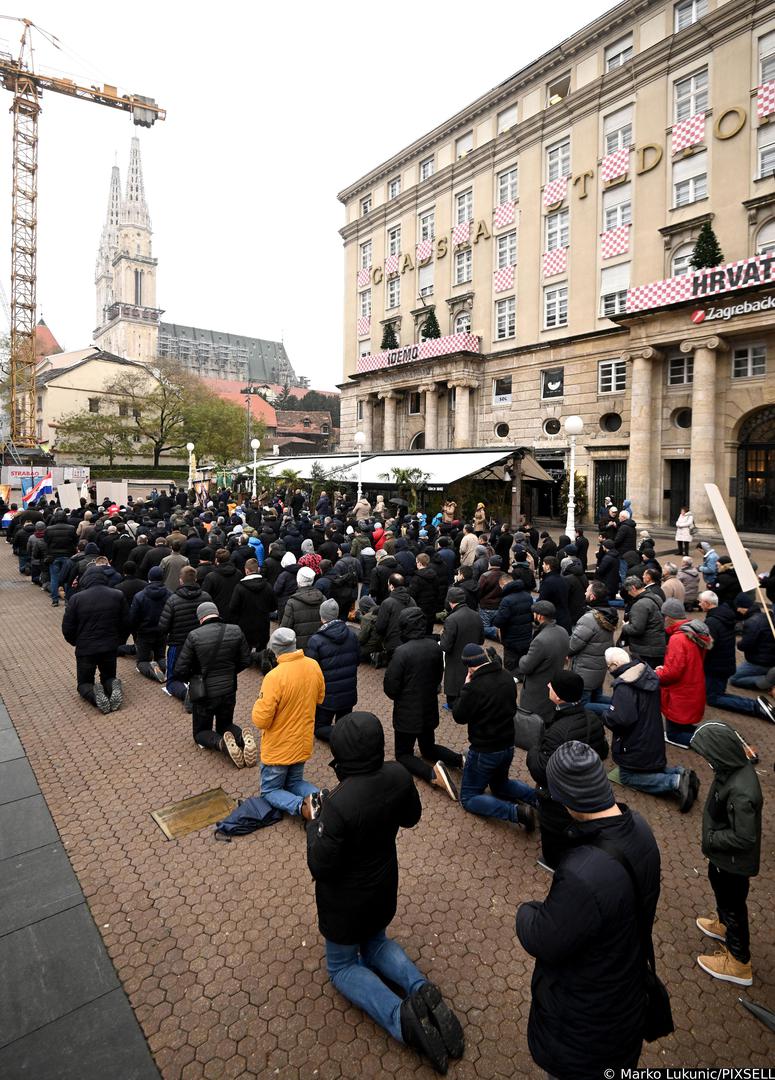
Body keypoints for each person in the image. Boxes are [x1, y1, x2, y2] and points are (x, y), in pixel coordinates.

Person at [306, 712, 463, 1074]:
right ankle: (419, 988)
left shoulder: (337, 803)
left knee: (342, 967)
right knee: (375, 943)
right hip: (382, 884)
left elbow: (321, 865)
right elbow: (411, 818)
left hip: (345, 903)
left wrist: (315, 824)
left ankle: (401, 1018)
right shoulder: (397, 774)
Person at [516, 741, 661, 1078]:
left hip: (585, 1026)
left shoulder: (584, 872)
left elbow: (544, 937)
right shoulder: (639, 828)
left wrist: (527, 912)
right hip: (626, 997)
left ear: (567, 797)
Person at [691, 721, 762, 987]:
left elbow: (744, 837)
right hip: (723, 859)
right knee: (724, 898)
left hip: (732, 861)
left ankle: (739, 961)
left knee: (734, 906)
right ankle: (723, 925)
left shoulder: (742, 791)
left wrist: (711, 838)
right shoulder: (731, 770)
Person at [526, 671, 609, 869]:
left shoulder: (558, 731)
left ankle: (555, 863)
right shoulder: (593, 718)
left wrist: (534, 749)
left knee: (554, 832)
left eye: (551, 685)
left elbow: (542, 770)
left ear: (559, 696)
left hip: (558, 798)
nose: (547, 685)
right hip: (585, 790)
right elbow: (603, 751)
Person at [603, 647, 698, 811]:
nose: (608, 670)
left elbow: (621, 720)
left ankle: (675, 782)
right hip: (653, 740)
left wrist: (606, 716)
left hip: (635, 745)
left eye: (609, 666)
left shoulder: (624, 685)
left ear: (616, 664)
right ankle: (681, 773)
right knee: (650, 768)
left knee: (627, 776)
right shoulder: (646, 674)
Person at [451, 644, 535, 829]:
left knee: (469, 798)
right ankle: (539, 799)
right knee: (500, 784)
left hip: (485, 750)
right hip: (507, 745)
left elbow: (459, 716)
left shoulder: (474, 687)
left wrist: (465, 687)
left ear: (469, 667)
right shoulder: (506, 676)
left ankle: (516, 813)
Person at [383, 607, 462, 800]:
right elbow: (437, 677)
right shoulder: (435, 647)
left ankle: (433, 775)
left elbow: (391, 686)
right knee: (428, 747)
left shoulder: (401, 652)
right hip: (428, 707)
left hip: (407, 713)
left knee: (403, 754)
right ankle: (460, 760)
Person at [251, 627, 325, 817]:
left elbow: (261, 719)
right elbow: (320, 698)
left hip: (279, 746)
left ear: (275, 650)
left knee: (269, 791)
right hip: (302, 741)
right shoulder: (313, 665)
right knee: (294, 782)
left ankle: (302, 807)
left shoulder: (274, 677)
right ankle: (323, 800)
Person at [173, 601, 254, 766]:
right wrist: (230, 672)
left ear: (200, 618)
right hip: (229, 688)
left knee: (201, 732)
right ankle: (242, 738)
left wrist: (193, 678)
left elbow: (180, 669)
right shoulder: (235, 630)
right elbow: (246, 660)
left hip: (205, 693)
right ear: (216, 613)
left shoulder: (194, 636)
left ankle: (221, 744)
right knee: (225, 724)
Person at [61, 566, 130, 713]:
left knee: (84, 683)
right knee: (108, 676)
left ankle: (94, 695)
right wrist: (118, 641)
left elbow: (67, 628)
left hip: (86, 648)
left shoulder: (76, 599)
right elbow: (125, 622)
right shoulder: (117, 595)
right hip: (110, 646)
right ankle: (112, 685)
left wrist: (76, 641)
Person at [701, 592, 771, 720]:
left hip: (718, 665)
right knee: (717, 694)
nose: (699, 605)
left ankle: (754, 706)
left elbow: (709, 644)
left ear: (706, 603)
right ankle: (756, 704)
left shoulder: (713, 621)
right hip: (726, 663)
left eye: (701, 602)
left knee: (714, 698)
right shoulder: (725, 617)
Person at [656, 598, 712, 747]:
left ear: (668, 617)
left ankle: (711, 745)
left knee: (674, 734)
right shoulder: (694, 633)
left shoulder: (678, 639)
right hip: (693, 686)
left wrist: (657, 673)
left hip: (680, 692)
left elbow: (672, 673)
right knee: (685, 726)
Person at [306, 598, 360, 742]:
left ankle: (343, 739)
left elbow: (311, 670)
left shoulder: (316, 640)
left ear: (321, 616)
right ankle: (346, 734)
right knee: (344, 723)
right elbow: (357, 660)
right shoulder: (352, 635)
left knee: (319, 728)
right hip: (348, 693)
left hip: (327, 696)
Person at [158, 566, 213, 701]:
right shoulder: (206, 597)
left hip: (178, 645)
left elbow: (163, 627)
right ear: (195, 579)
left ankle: (185, 694)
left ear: (181, 581)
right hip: (201, 643)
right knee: (197, 673)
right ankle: (203, 691)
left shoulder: (173, 600)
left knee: (172, 680)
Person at [517, 601, 570, 723]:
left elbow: (525, 666)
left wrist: (522, 658)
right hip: (553, 685)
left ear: (539, 616)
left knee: (532, 724)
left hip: (537, 692)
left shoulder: (540, 640)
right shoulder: (562, 631)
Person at [567, 584, 618, 706]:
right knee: (596, 698)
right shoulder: (610, 614)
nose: (584, 593)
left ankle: (617, 710)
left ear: (593, 596)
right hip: (598, 669)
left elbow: (572, 646)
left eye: (587, 591)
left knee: (582, 706)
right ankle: (619, 705)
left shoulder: (589, 619)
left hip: (585, 671)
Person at [439, 586, 484, 708]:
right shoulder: (476, 615)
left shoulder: (451, 619)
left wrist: (442, 636)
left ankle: (453, 704)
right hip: (472, 660)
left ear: (450, 601)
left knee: (454, 683)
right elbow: (481, 640)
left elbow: (445, 646)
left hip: (455, 661)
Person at [129, 566, 171, 683]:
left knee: (142, 661)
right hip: (162, 632)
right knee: (161, 657)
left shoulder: (139, 596)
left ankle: (153, 672)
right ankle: (167, 668)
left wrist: (135, 631)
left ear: (149, 578)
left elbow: (133, 617)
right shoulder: (170, 595)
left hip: (144, 633)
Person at [229, 557, 275, 656]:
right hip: (263, 624)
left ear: (246, 571)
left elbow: (233, 607)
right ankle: (261, 661)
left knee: (245, 650)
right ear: (258, 569)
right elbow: (273, 606)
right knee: (262, 650)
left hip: (245, 625)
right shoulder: (267, 586)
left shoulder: (239, 588)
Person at [729, 594, 775, 688]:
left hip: (761, 661)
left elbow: (744, 645)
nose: (737, 610)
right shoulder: (766, 616)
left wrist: (738, 643)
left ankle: (767, 680)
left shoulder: (752, 622)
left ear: (743, 608)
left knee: (734, 678)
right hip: (769, 656)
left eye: (738, 607)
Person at [619, 576, 666, 666]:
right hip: (658, 645)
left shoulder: (640, 605)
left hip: (645, 649)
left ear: (633, 588)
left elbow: (636, 629)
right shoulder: (656, 597)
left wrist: (625, 626)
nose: (628, 593)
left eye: (628, 591)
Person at [280, 566, 326, 651]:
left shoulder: (292, 603)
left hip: (299, 648)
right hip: (318, 645)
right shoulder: (322, 598)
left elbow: (285, 629)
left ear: (298, 580)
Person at [492, 576, 533, 672]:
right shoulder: (528, 596)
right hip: (526, 635)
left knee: (510, 665)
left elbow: (499, 621)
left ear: (503, 584)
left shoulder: (506, 600)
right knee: (523, 660)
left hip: (511, 638)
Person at [375, 573, 416, 661]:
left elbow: (380, 627)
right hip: (409, 641)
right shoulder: (412, 600)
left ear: (392, 586)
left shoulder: (387, 603)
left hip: (393, 644)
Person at [44, 509, 78, 606]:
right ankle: (67, 600)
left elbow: (46, 542)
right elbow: (75, 541)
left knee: (54, 578)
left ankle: (55, 600)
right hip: (68, 556)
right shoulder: (71, 528)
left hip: (53, 557)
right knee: (68, 578)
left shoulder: (49, 529)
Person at [408, 552, 439, 635]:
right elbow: (437, 591)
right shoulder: (434, 576)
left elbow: (412, 594)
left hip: (420, 608)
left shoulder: (416, 578)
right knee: (429, 630)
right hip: (432, 607)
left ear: (419, 563)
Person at [537, 556, 571, 632]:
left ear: (548, 566)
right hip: (564, 616)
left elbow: (542, 600)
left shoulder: (548, 582)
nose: (542, 566)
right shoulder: (563, 579)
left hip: (554, 618)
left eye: (543, 564)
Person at [476, 557, 505, 640]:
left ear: (490, 564)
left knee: (483, 628)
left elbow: (479, 591)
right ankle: (495, 631)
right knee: (493, 623)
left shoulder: (485, 576)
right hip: (498, 605)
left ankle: (497, 631)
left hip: (486, 606)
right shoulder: (504, 575)